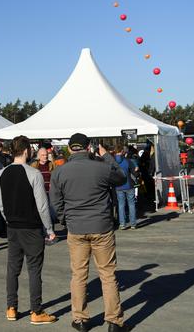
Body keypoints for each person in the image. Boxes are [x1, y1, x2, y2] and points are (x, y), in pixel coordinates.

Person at [50, 133, 130, 332]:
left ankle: (80, 319)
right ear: (88, 148)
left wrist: (65, 220)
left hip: (76, 228)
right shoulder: (102, 168)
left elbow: (56, 202)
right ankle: (114, 321)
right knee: (108, 275)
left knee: (78, 275)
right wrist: (107, 156)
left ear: (70, 149)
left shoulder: (59, 172)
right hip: (101, 227)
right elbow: (121, 177)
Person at [0, 135, 57, 325]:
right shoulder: (33, 173)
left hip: (13, 227)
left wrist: (10, 220)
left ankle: (11, 307)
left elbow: (1, 205)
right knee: (34, 270)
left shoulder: (1, 174)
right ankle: (36, 311)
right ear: (26, 151)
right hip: (31, 228)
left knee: (13, 268)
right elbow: (42, 206)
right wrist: (49, 228)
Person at [114, 145, 137, 230]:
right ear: (123, 152)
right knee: (131, 204)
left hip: (118, 186)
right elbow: (134, 172)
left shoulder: (113, 162)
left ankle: (122, 224)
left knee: (121, 205)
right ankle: (133, 224)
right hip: (129, 185)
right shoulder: (128, 161)